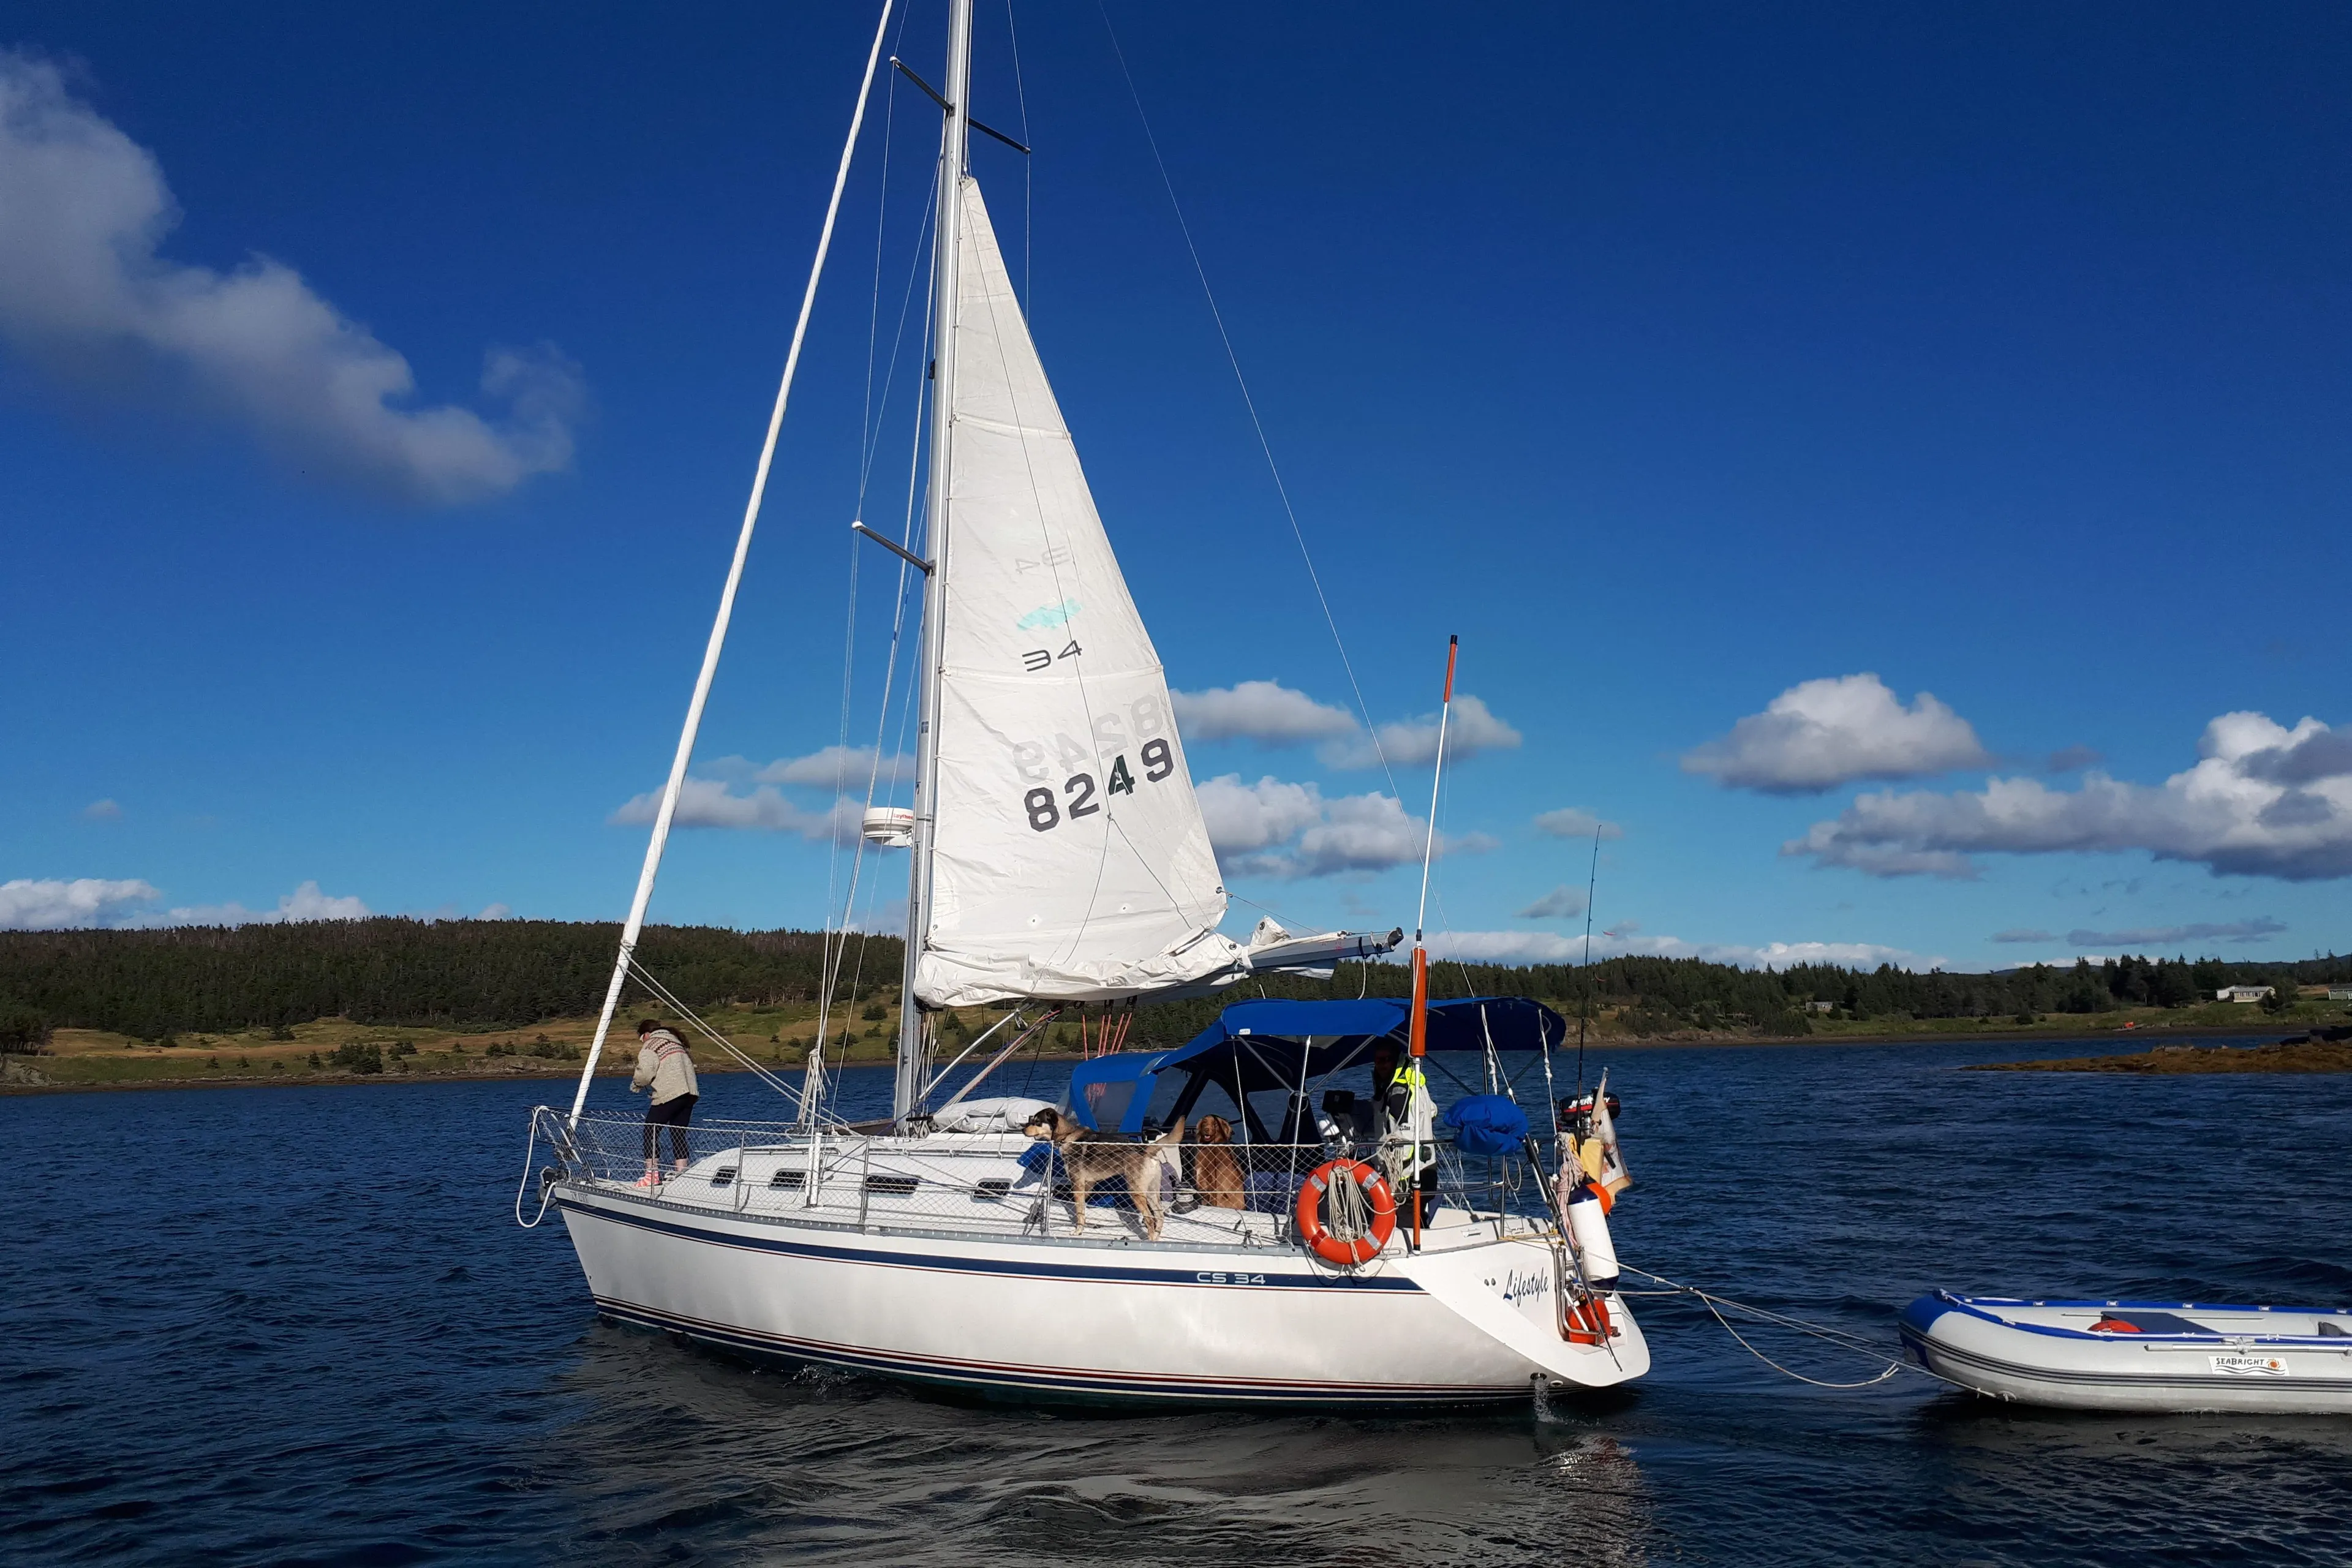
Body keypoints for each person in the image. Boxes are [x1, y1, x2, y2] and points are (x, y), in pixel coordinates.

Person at [631, 1019, 699, 1186]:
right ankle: (682, 1174)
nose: (642, 1041)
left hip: (670, 1093)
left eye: (641, 1038)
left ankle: (651, 1176)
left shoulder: (651, 1045)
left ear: (647, 1034)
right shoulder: (676, 1042)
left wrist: (636, 1084)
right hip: (690, 1093)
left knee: (651, 1131)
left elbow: (645, 1073)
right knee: (678, 1133)